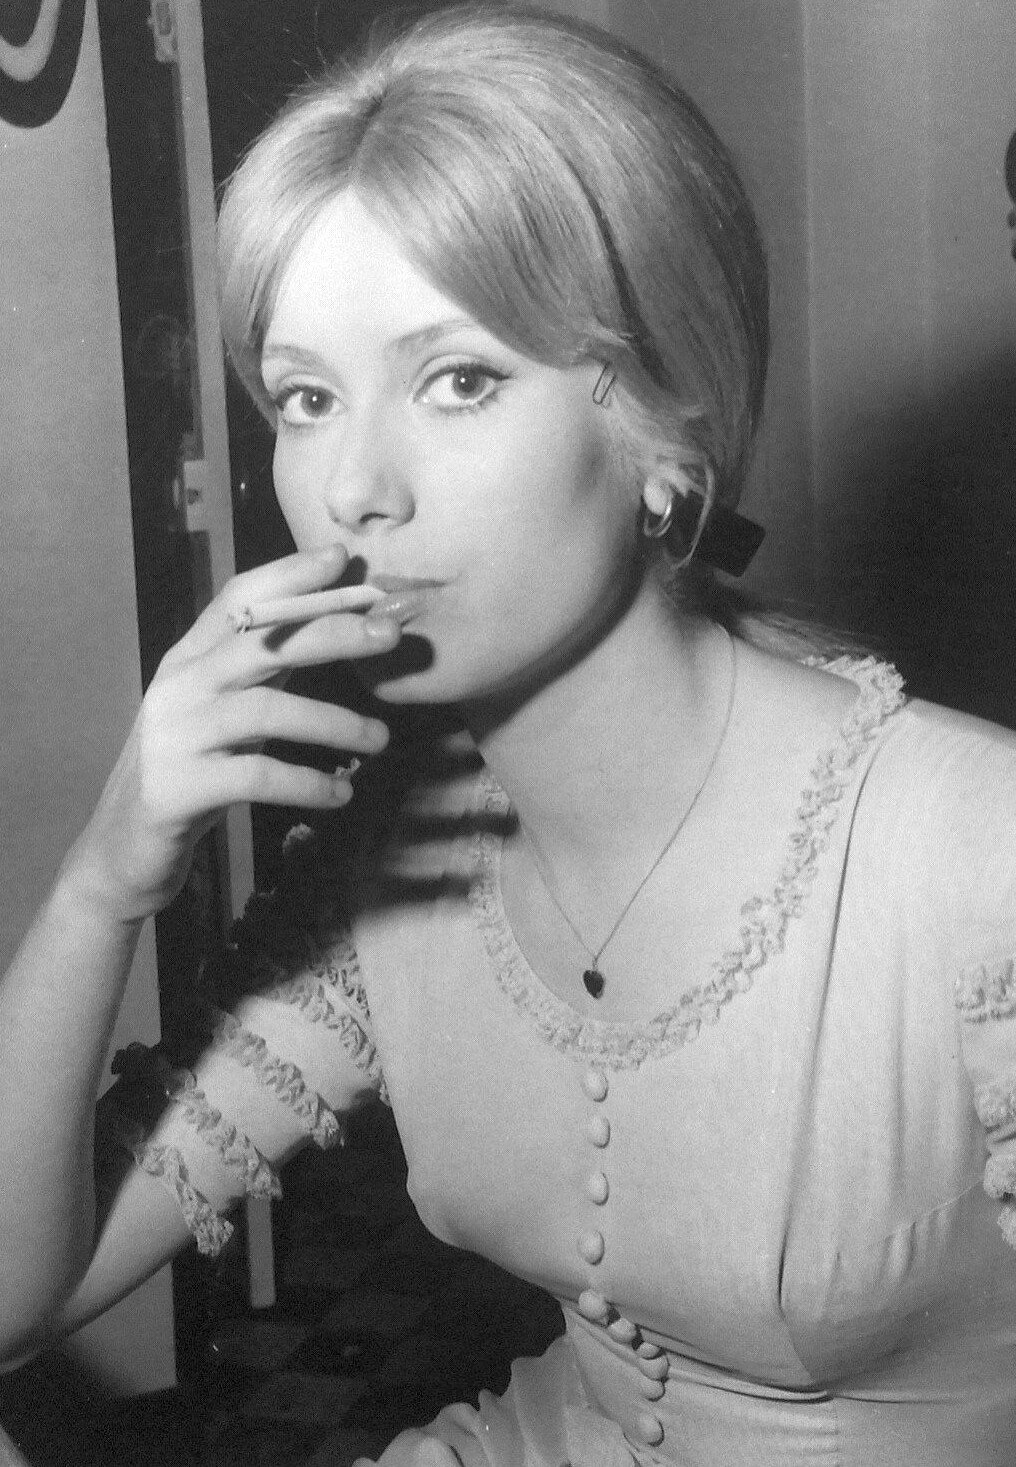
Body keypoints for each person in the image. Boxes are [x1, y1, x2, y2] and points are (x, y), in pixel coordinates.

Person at [2, 5, 1016, 1463]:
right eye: (306, 397)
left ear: (663, 430)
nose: (354, 487)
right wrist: (104, 881)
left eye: (458, 379)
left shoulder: (974, 856)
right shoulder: (392, 864)